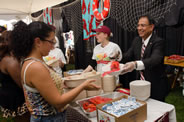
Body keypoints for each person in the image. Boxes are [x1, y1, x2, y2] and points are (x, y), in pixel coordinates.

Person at [10, 21, 100, 122]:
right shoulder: (35, 67)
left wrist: (60, 82)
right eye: (51, 41)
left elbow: (44, 86)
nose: (53, 46)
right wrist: (83, 86)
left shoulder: (35, 61)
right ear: (38, 42)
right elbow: (58, 102)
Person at [121, 15, 168, 101]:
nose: (139, 28)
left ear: (151, 27)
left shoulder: (158, 42)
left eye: (143, 25)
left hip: (155, 86)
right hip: (139, 84)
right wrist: (117, 57)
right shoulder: (136, 41)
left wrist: (135, 64)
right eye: (138, 25)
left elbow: (155, 60)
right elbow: (128, 55)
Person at [0, 31, 29, 122]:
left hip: (10, 95)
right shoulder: (9, 60)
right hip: (17, 98)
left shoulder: (4, 57)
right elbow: (22, 84)